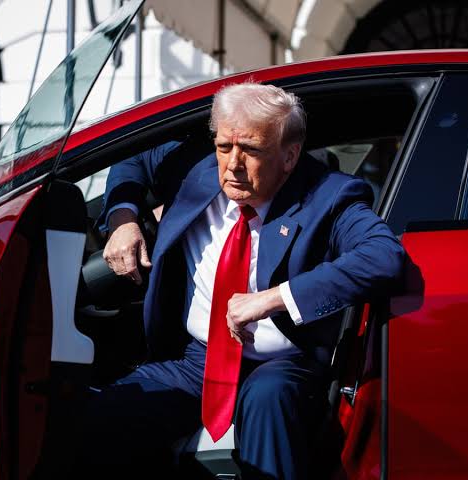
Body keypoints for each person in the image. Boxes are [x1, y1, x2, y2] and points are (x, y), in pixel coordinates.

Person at [77, 83, 404, 479]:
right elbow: (134, 155)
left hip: (282, 362)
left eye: (250, 150)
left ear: (289, 156)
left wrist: (272, 298)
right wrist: (122, 219)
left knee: (268, 399)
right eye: (224, 147)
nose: (233, 164)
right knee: (95, 424)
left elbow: (383, 257)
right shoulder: (196, 168)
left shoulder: (329, 195)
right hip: (198, 359)